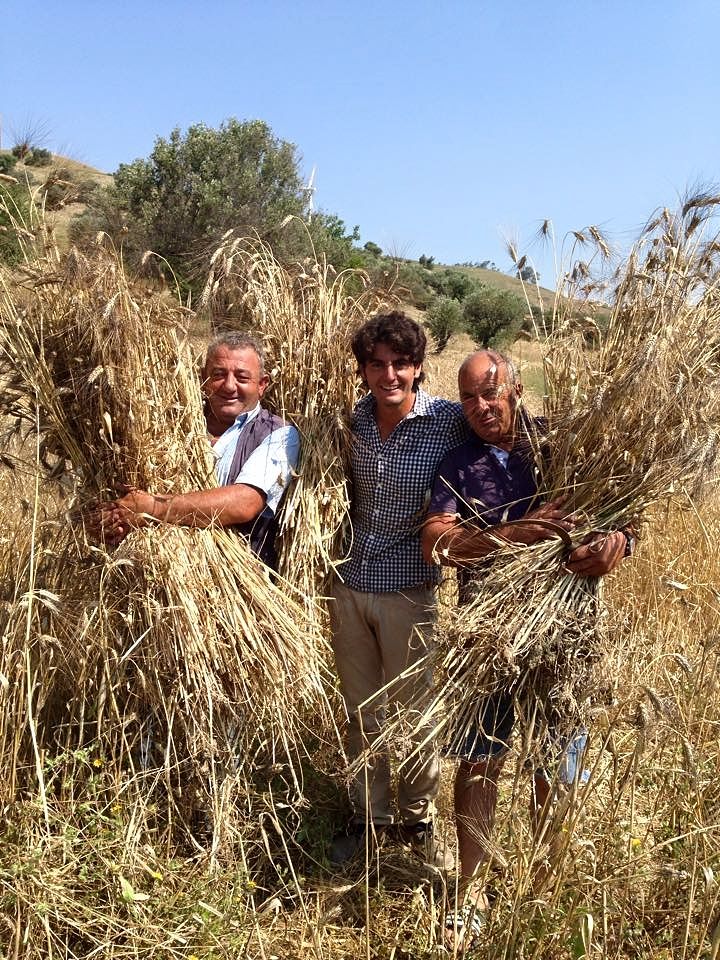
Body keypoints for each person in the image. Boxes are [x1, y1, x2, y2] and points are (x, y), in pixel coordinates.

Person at [422, 348, 630, 944]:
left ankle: (542, 885)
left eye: (490, 392)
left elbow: (622, 516)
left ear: (515, 388)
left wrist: (615, 545)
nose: (481, 407)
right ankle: (470, 889)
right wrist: (512, 535)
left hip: (568, 628)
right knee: (480, 760)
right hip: (487, 632)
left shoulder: (565, 446)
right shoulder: (458, 462)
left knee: (556, 761)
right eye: (467, 397)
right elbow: (438, 543)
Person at [328, 310, 468, 868]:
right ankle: (369, 816)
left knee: (414, 710)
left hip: (410, 589)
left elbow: (506, 434)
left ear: (418, 368)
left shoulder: (448, 421)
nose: (390, 375)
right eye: (377, 364)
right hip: (348, 583)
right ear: (363, 370)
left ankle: (417, 819)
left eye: (401, 364)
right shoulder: (352, 421)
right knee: (361, 708)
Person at [92, 331, 300, 569]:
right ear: (202, 378)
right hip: (150, 572)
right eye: (218, 375)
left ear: (262, 385)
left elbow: (244, 503)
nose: (229, 386)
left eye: (242, 377)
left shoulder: (279, 434)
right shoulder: (165, 425)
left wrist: (150, 508)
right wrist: (113, 518)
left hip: (233, 582)